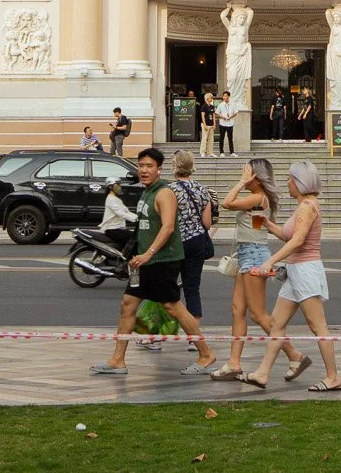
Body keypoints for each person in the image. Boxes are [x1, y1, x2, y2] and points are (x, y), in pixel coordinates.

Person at [91, 148, 216, 377]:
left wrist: (148, 253)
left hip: (162, 260)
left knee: (173, 307)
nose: (144, 170)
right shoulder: (147, 192)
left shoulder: (164, 193)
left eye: (149, 166)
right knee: (128, 304)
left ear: (159, 169)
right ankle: (118, 360)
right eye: (141, 166)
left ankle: (206, 354)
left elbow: (168, 227)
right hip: (145, 262)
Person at [243, 162, 341, 392]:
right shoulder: (302, 206)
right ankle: (262, 374)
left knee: (318, 326)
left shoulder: (307, 205)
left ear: (299, 182)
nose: (286, 183)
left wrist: (269, 262)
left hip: (306, 271)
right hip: (295, 271)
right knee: (277, 323)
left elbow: (298, 241)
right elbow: (289, 236)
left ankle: (333, 377)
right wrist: (266, 223)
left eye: (289, 179)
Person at [211, 158, 306, 382]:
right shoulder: (257, 198)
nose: (244, 174)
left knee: (258, 314)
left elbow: (226, 203)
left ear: (257, 176)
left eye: (248, 172)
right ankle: (234, 363)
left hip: (254, 255)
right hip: (246, 253)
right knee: (237, 309)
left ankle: (294, 354)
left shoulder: (258, 197)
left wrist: (241, 183)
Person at [168, 151, 217, 338]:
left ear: (175, 166)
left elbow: (167, 221)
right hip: (197, 241)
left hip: (175, 242)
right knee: (192, 288)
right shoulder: (202, 189)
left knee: (166, 288)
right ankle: (193, 336)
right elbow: (207, 223)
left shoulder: (169, 190)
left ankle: (158, 335)